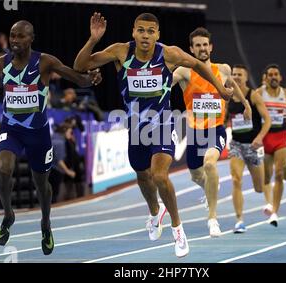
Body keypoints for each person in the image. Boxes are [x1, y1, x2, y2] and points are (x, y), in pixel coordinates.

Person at [73, 12, 232, 257]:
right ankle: (155, 211)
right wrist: (94, 39)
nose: (145, 35)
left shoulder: (168, 54)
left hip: (163, 125)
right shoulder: (120, 52)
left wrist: (220, 89)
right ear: (133, 32)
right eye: (141, 30)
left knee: (159, 176)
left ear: (157, 34)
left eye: (150, 31)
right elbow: (80, 66)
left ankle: (178, 229)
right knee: (142, 175)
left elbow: (199, 65)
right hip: (136, 128)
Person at [0, 20, 101, 255]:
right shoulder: (0, 64)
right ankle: (8, 214)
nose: (15, 40)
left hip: (38, 134)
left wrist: (90, 78)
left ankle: (45, 223)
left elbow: (77, 78)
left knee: (42, 185)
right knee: (4, 169)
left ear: (31, 38)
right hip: (11, 130)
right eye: (12, 36)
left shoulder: (45, 62)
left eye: (20, 36)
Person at [172, 28, 251, 237]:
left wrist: (245, 104)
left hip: (216, 130)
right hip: (195, 133)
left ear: (211, 47)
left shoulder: (223, 69)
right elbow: (162, 86)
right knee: (196, 175)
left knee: (209, 163)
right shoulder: (184, 72)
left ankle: (213, 219)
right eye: (197, 45)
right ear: (191, 49)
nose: (202, 48)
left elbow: (233, 84)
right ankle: (209, 191)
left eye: (205, 44)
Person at [227, 64, 271, 233]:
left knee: (259, 187)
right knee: (236, 179)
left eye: (239, 74)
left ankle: (267, 199)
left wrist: (259, 137)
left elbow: (267, 119)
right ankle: (239, 220)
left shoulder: (253, 96)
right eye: (234, 74)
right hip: (236, 144)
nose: (236, 77)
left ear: (246, 77)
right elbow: (224, 118)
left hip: (252, 145)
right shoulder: (229, 95)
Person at [258, 64, 286, 227]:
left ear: (280, 78)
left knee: (280, 174)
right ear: (266, 78)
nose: (274, 77)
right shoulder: (259, 93)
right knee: (266, 176)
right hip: (266, 137)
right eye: (270, 75)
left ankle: (274, 211)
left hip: (281, 137)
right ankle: (269, 203)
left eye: (276, 74)